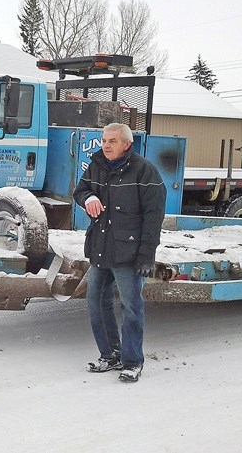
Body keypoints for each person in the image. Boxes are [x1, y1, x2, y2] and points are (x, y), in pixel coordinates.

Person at [73, 123, 166, 383]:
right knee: (95, 301)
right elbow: (80, 190)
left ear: (127, 144)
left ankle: (133, 361)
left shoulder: (144, 171)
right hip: (101, 248)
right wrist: (88, 198)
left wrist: (147, 255)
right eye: (104, 140)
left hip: (129, 251)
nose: (106, 145)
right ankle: (110, 353)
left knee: (131, 306)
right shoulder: (97, 165)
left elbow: (153, 216)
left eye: (112, 141)